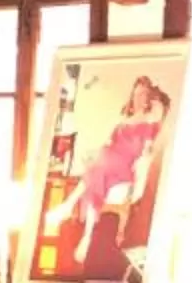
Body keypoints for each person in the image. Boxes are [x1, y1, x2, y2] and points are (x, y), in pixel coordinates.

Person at [61, 75, 172, 269]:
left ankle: (71, 210)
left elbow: (146, 151)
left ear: (148, 97)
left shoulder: (149, 122)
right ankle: (85, 233)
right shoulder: (124, 120)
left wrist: (140, 176)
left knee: (98, 168)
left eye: (143, 94)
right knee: (96, 165)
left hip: (124, 165)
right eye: (136, 93)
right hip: (109, 161)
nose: (139, 98)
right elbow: (109, 143)